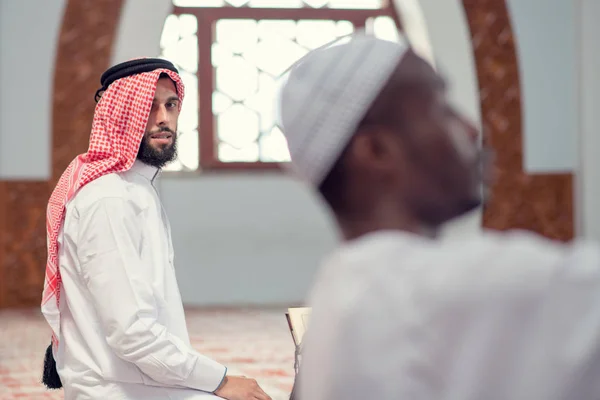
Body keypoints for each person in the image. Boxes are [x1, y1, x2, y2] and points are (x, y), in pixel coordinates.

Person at [278, 33, 600, 400]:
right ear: (375, 151)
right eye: (441, 108)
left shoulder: (340, 290)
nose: (471, 129)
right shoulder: (446, 289)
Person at [41, 58, 271, 400]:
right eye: (147, 107)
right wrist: (221, 380)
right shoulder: (110, 199)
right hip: (119, 390)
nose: (164, 119)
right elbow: (131, 333)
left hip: (145, 382)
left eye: (171, 105)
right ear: (119, 115)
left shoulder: (135, 188)